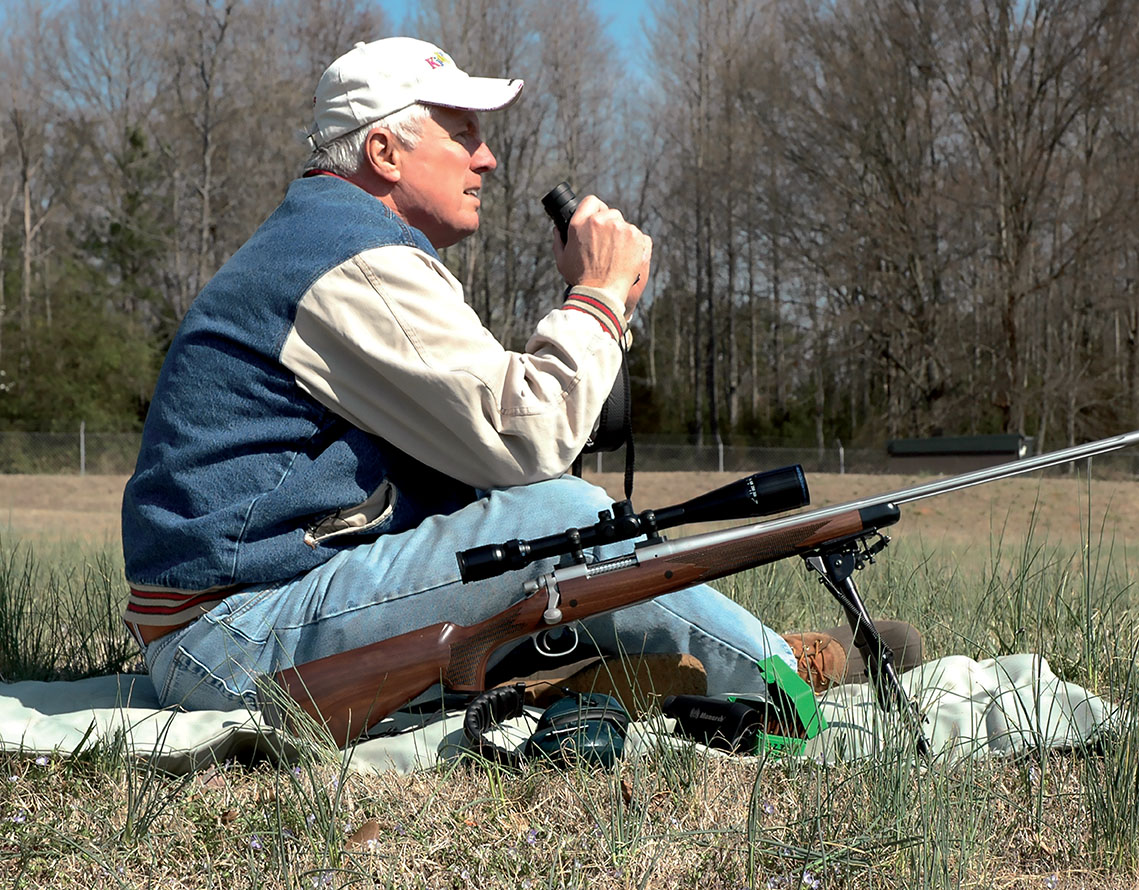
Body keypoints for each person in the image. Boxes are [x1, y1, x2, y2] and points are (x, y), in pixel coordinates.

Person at [120, 37, 875, 734]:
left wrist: (602, 309)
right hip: (232, 640)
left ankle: (596, 678)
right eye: (463, 133)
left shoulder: (332, 242)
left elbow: (486, 448)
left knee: (529, 529)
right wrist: (600, 297)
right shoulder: (350, 263)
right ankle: (783, 686)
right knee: (566, 518)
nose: (487, 159)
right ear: (383, 150)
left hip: (248, 617)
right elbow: (531, 443)